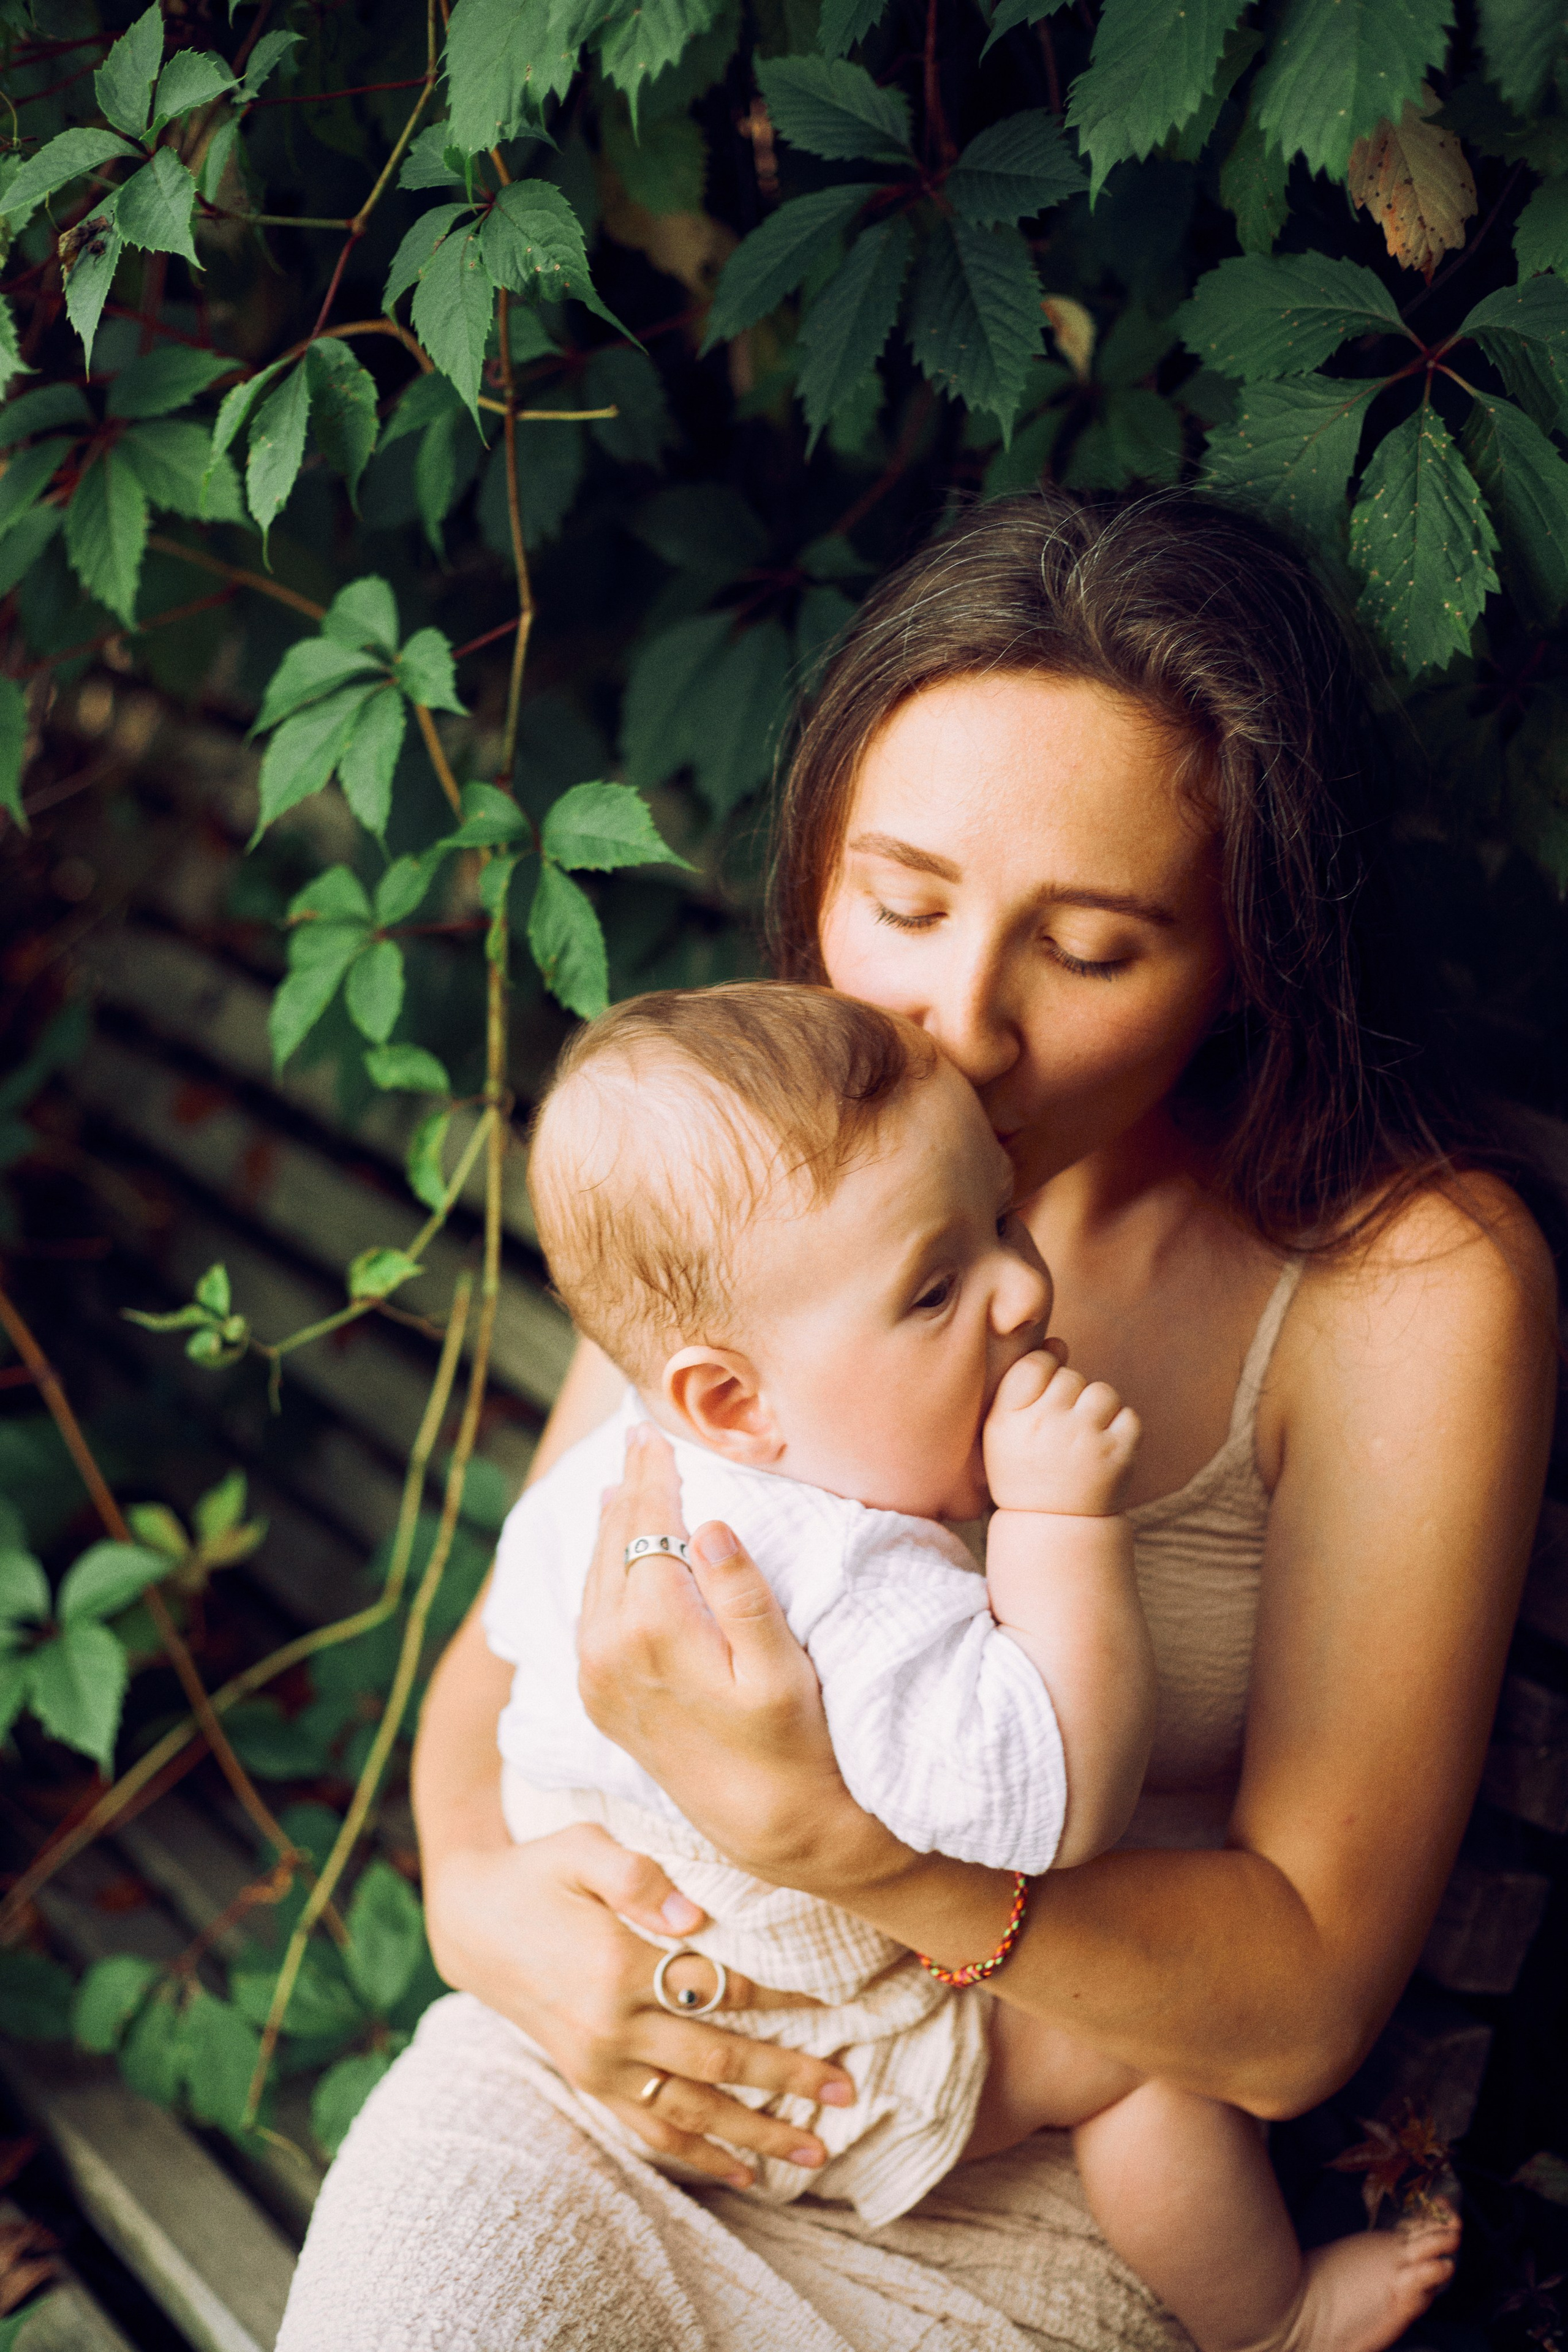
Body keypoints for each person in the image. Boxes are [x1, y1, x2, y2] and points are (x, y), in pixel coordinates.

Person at [277, 490, 1558, 2352]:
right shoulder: (759, 1193)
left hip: (1048, 2165)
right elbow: (503, 1664)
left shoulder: (1400, 1290)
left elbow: (1293, 2011)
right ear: (815, 871)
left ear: (1253, 952)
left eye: (1097, 948)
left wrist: (852, 1854)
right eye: (903, 903)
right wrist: (485, 1912)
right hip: (603, 2090)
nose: (965, 1020)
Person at [490, 978, 1461, 2352]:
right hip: (819, 2063)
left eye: (1000, 1218)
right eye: (936, 1286)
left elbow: (511, 1653)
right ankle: (1275, 2321)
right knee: (1140, 2078)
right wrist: (1060, 1527)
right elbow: (1049, 1806)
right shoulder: (851, 1579)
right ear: (733, 1400)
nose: (1019, 1283)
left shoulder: (624, 1472)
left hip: (627, 2014)